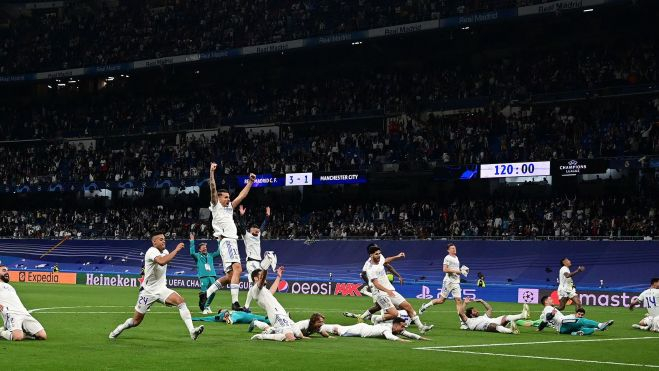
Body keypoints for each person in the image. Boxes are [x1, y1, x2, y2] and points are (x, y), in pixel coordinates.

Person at [109, 232, 205, 340]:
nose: (163, 240)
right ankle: (120, 328)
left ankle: (192, 331)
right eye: (160, 239)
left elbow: (165, 259)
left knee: (181, 302)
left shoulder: (166, 252)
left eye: (164, 239)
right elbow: (162, 261)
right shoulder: (151, 251)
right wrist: (176, 250)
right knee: (136, 322)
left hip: (161, 289)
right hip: (148, 292)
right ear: (154, 242)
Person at [202, 162, 256, 312]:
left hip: (230, 242)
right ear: (218, 198)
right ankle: (235, 303)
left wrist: (250, 182)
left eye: (228, 197)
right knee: (238, 268)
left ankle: (206, 294)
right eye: (225, 197)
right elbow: (213, 187)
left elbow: (242, 195)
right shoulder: (216, 205)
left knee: (230, 275)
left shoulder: (229, 207)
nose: (228, 199)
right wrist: (211, 172)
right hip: (227, 240)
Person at [366, 245, 433, 333]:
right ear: (371, 255)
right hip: (381, 294)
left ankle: (421, 327)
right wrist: (387, 290)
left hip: (390, 291)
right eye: (376, 254)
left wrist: (397, 256)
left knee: (408, 306)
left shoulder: (380, 259)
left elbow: (386, 260)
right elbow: (376, 284)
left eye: (379, 253)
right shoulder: (370, 269)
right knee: (394, 314)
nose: (378, 255)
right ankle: (377, 319)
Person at [343, 243, 403, 322]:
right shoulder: (367, 264)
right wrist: (369, 283)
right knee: (381, 305)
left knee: (379, 306)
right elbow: (363, 274)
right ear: (371, 252)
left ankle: (363, 317)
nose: (378, 252)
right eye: (375, 249)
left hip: (383, 285)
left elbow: (388, 266)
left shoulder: (380, 257)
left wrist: (398, 275)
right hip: (376, 287)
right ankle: (375, 318)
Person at [245, 267, 304, 341]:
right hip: (276, 316)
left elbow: (272, 290)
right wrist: (265, 268)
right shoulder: (255, 290)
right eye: (261, 275)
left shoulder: (264, 290)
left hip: (283, 314)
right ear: (255, 278)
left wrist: (279, 276)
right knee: (290, 338)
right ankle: (265, 334)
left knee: (301, 336)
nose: (263, 277)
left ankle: (263, 326)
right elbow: (262, 279)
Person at [419, 243, 469, 328]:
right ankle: (425, 306)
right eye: (452, 248)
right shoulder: (447, 258)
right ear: (448, 250)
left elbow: (455, 269)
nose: (454, 249)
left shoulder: (456, 258)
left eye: (455, 248)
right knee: (441, 300)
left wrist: (461, 270)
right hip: (448, 282)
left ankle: (462, 323)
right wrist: (458, 271)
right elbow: (445, 269)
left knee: (458, 301)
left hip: (456, 282)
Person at [0, 265, 47, 341]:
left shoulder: (10, 286)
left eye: (7, 271)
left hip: (24, 313)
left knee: (42, 336)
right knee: (18, 337)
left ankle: (22, 331)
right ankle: (1, 332)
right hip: (11, 313)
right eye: (4, 270)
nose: (7, 272)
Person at [537, 295, 613, 336]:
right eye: (550, 299)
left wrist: (539, 329)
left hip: (562, 330)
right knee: (581, 321)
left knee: (580, 328)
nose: (552, 300)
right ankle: (600, 325)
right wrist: (551, 314)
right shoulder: (548, 308)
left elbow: (544, 322)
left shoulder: (548, 309)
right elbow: (548, 317)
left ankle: (598, 329)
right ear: (546, 301)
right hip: (563, 323)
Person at [238, 205, 277, 282]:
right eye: (255, 231)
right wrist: (242, 216)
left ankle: (253, 293)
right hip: (251, 262)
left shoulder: (258, 235)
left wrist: (267, 216)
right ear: (250, 230)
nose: (257, 232)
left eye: (258, 231)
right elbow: (242, 226)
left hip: (259, 262)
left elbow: (264, 225)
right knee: (257, 281)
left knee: (260, 283)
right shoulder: (246, 235)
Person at [323, 317, 430, 342]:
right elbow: (389, 337)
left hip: (363, 329)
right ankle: (317, 327)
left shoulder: (396, 329)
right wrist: (403, 340)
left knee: (339, 329)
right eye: (402, 326)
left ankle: (319, 327)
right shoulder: (387, 328)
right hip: (360, 330)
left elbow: (410, 334)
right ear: (396, 325)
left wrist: (423, 339)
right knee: (338, 330)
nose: (403, 329)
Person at [458, 298, 528, 334]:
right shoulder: (469, 321)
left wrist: (482, 301)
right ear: (470, 314)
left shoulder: (483, 316)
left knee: (505, 317)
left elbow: (489, 309)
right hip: (486, 325)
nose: (477, 311)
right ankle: (511, 330)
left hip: (493, 321)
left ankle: (522, 315)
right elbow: (461, 313)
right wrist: (465, 303)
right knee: (492, 325)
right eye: (474, 311)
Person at [189, 232, 220, 314]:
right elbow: (192, 253)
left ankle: (207, 306)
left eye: (205, 247)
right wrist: (192, 241)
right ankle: (204, 308)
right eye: (203, 247)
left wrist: (219, 241)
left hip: (212, 276)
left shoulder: (211, 255)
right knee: (204, 293)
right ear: (199, 249)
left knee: (213, 292)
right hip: (203, 276)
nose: (205, 248)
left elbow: (219, 252)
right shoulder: (197, 256)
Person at [192, 309, 270, 325]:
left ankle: (271, 319)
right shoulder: (221, 313)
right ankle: (229, 320)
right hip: (236, 315)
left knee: (264, 319)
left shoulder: (233, 310)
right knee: (233, 317)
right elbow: (208, 318)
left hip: (246, 315)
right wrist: (192, 319)